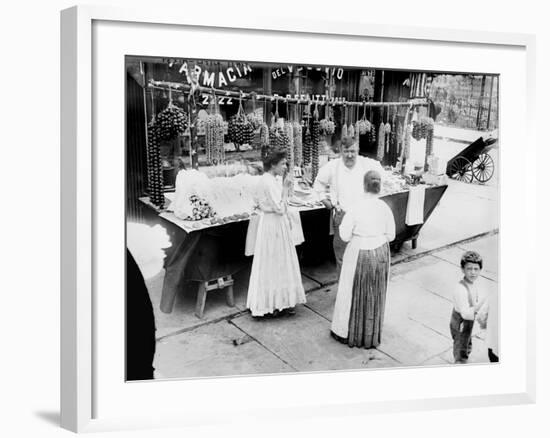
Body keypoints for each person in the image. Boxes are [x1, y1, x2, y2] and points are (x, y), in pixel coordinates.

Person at [330, 170, 395, 348]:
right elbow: (391, 235)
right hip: (381, 252)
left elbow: (343, 236)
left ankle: (348, 332)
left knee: (351, 291)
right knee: (375, 294)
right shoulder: (385, 208)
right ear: (379, 186)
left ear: (363, 185)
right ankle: (370, 335)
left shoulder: (355, 208)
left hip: (359, 251)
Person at [246, 149, 307, 318]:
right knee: (274, 261)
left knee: (278, 261)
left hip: (274, 223)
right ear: (273, 165)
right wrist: (286, 188)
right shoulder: (268, 181)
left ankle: (279, 302)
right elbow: (280, 208)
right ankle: (271, 304)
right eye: (283, 164)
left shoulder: (271, 179)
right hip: (272, 224)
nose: (285, 167)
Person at [313, 136, 385, 276]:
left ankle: (358, 292)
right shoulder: (333, 166)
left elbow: (382, 175)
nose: (350, 155)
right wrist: (324, 199)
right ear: (341, 151)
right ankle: (344, 294)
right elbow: (318, 184)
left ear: (357, 150)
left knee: (361, 256)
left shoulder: (366, 164)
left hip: (363, 218)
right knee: (342, 257)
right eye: (346, 151)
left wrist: (374, 199)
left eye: (353, 151)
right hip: (342, 217)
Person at [449, 251, 488, 364]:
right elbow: (466, 314)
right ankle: (460, 362)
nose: (473, 272)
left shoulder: (473, 283)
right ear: (462, 269)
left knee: (467, 341)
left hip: (467, 322)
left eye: (476, 269)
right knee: (461, 346)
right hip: (460, 322)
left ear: (480, 270)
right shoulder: (460, 289)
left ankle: (466, 353)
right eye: (469, 269)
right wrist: (481, 304)